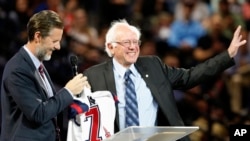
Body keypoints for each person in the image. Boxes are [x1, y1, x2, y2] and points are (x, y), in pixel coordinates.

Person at [83, 19, 246, 141]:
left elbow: (190, 76)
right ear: (111, 47)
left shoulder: (153, 65)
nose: (133, 47)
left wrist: (228, 55)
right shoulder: (94, 76)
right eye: (127, 43)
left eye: (135, 42)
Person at [0, 10, 89, 141]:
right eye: (54, 41)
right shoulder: (17, 69)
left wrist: (76, 90)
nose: (58, 47)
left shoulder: (37, 65)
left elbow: (50, 104)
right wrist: (69, 91)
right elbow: (38, 113)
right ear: (38, 36)